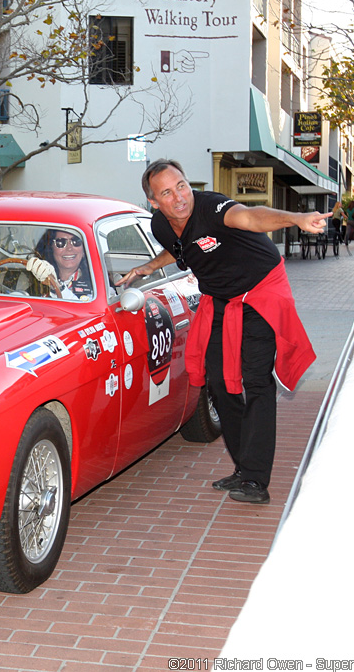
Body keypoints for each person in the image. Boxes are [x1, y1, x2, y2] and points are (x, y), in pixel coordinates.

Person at [116, 159, 325, 504]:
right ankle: (244, 467)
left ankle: (256, 479)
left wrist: (296, 219)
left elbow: (250, 216)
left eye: (181, 185)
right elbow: (182, 248)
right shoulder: (159, 225)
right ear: (154, 202)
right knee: (218, 381)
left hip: (260, 292)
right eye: (167, 193)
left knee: (256, 380)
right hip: (221, 298)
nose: (179, 197)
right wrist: (147, 267)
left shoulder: (212, 207)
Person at [24, 230, 94, 300]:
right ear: (52, 248)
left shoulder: (95, 283)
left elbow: (84, 309)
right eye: (61, 242)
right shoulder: (38, 276)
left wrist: (57, 286)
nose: (69, 248)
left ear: (84, 250)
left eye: (76, 242)